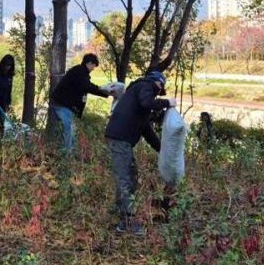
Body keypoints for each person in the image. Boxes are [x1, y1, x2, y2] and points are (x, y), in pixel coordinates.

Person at [104, 70, 176, 236]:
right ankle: (127, 222)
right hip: (119, 139)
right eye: (160, 87)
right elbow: (147, 102)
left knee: (131, 175)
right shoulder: (145, 86)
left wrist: (163, 150)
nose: (159, 91)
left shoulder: (139, 100)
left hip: (121, 140)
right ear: (156, 82)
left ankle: (120, 211)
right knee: (125, 178)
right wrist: (167, 102)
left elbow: (147, 131)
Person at [50, 53, 112, 155]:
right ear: (89, 63)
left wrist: (104, 91)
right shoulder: (79, 72)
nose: (93, 69)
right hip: (63, 105)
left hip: (67, 107)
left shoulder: (81, 72)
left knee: (71, 132)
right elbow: (87, 87)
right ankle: (67, 158)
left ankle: (70, 155)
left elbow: (86, 86)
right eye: (93, 66)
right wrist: (104, 92)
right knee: (68, 132)